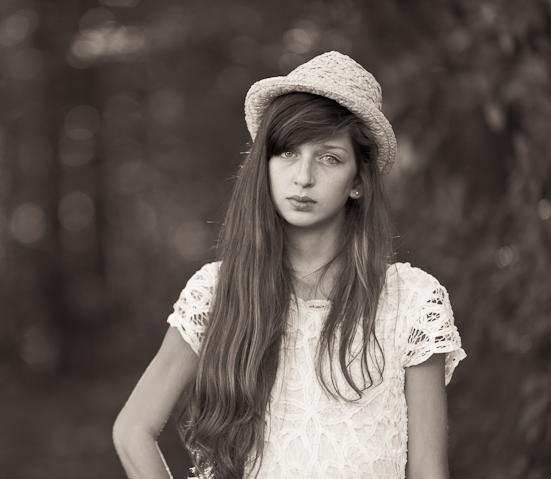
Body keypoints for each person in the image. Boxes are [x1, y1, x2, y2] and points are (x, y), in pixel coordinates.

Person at [112, 51, 466, 479]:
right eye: (287, 153)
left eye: (329, 157)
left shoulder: (412, 302)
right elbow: (133, 428)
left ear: (358, 181)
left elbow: (429, 472)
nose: (303, 177)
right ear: (265, 164)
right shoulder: (218, 290)